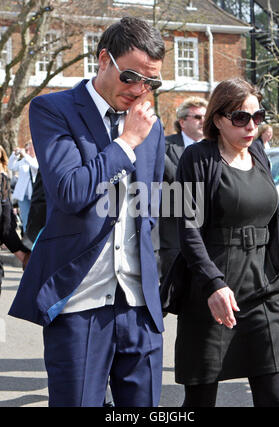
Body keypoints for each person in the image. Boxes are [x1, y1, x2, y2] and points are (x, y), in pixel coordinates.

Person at [9, 17, 166, 407]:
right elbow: (70, 191)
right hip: (79, 304)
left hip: (138, 305)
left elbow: (149, 207)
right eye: (130, 76)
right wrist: (127, 141)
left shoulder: (153, 126)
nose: (140, 90)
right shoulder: (52, 109)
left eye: (151, 82)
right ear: (103, 60)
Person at [174, 78, 279, 407]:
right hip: (213, 291)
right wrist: (213, 283)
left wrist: (275, 271)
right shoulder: (195, 158)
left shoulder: (259, 152)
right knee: (200, 400)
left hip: (263, 290)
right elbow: (186, 227)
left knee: (276, 397)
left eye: (257, 116)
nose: (251, 126)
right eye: (241, 118)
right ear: (219, 119)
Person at [159, 97, 208, 284]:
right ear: (182, 122)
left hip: (208, 234)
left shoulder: (216, 147)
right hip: (174, 234)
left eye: (205, 116)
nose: (203, 121)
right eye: (197, 117)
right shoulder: (163, 146)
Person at [0, 145, 31, 293]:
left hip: (6, 216)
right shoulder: (7, 170)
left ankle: (27, 261)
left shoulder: (3, 174)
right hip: (11, 210)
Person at [8, 141, 38, 232]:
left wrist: (25, 155)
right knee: (26, 221)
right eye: (27, 149)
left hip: (36, 195)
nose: (28, 150)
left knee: (37, 220)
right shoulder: (24, 161)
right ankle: (27, 244)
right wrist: (15, 155)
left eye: (30, 148)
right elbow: (11, 166)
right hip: (23, 196)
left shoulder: (38, 159)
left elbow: (35, 167)